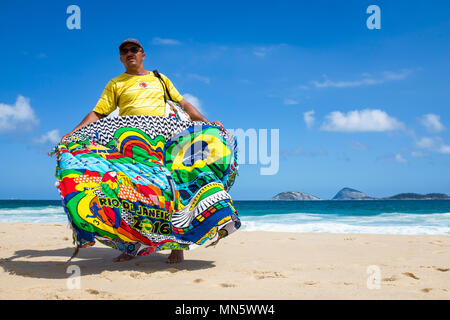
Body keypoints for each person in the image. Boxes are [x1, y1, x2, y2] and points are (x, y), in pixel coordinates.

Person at [61, 39, 224, 264]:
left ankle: (176, 246)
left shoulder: (160, 79)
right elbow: (98, 114)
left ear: (143, 54)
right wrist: (73, 133)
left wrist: (206, 122)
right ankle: (131, 246)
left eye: (134, 50)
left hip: (160, 144)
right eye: (124, 51)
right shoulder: (116, 83)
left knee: (167, 193)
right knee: (129, 194)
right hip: (128, 147)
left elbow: (183, 104)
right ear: (120, 58)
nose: (129, 53)